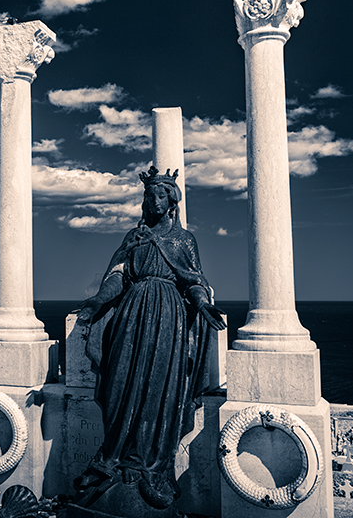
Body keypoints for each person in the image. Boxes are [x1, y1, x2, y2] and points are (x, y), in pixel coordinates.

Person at [73, 166, 226, 514]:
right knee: (119, 385)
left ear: (171, 201)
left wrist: (202, 304)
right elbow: (119, 276)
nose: (151, 200)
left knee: (158, 391)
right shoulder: (134, 237)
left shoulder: (185, 240)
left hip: (168, 323)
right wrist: (99, 299)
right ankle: (112, 456)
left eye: (158, 195)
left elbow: (194, 280)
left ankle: (146, 463)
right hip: (131, 318)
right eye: (148, 195)